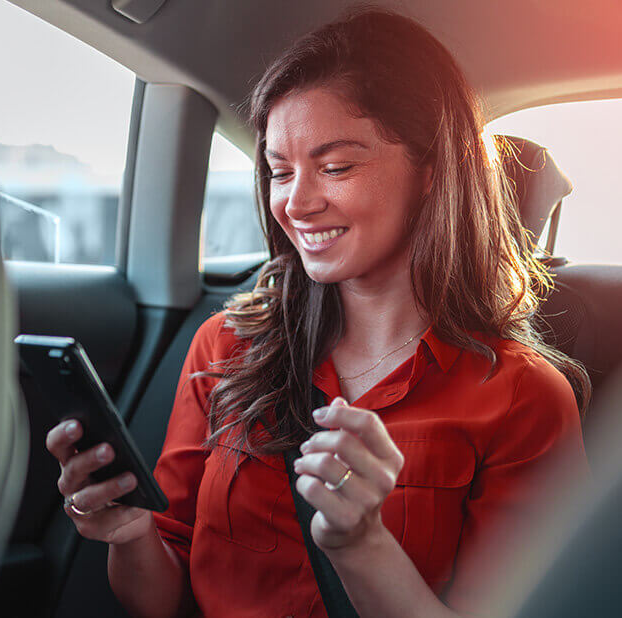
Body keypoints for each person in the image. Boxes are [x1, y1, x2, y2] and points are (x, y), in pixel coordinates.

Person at [46, 9, 589, 617]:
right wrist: (129, 535)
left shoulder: (523, 399)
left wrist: (362, 546)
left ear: (432, 172)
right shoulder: (225, 346)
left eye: (335, 167)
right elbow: (160, 597)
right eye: (280, 172)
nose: (296, 203)